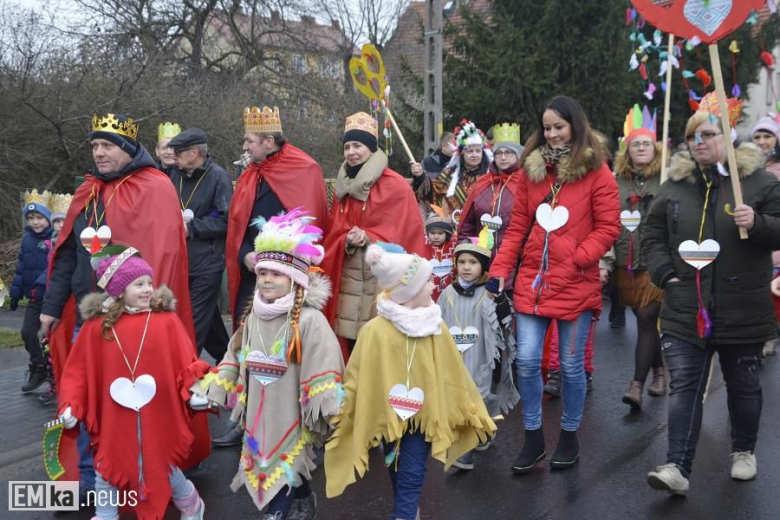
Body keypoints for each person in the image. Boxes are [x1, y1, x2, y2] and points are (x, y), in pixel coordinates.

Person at [41, 112, 204, 494]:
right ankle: (88, 479)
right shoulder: (88, 192)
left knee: (135, 404)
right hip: (90, 317)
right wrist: (50, 308)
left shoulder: (156, 187)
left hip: (137, 322)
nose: (98, 152)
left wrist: (149, 314)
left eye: (107, 146)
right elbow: (66, 256)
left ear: (128, 150)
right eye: (94, 145)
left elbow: (163, 257)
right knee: (86, 398)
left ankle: (148, 474)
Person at [643, 96, 780, 494]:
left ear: (728, 136)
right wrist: (665, 273)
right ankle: (677, 467)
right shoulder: (675, 186)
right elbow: (652, 235)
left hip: (744, 306)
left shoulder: (759, 182)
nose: (699, 142)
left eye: (707, 134)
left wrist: (758, 223)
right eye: (692, 137)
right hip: (687, 305)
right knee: (684, 386)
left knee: (744, 387)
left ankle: (743, 450)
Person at [488, 96, 620, 474]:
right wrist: (500, 269)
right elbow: (517, 229)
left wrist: (578, 258)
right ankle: (532, 436)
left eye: (559, 126)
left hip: (576, 284)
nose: (552, 134)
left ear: (575, 126)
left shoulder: (599, 173)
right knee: (527, 362)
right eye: (546, 127)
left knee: (571, 364)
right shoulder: (533, 172)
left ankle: (569, 436)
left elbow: (608, 228)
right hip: (533, 281)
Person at [324, 244, 496, 519]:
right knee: (394, 462)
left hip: (423, 415)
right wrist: (343, 408)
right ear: (409, 291)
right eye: (427, 281)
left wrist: (469, 405)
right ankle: (407, 509)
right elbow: (359, 375)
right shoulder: (375, 332)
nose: (432, 286)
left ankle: (403, 514)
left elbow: (453, 371)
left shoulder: (434, 325)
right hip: (389, 414)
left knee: (413, 466)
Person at [192, 209, 343, 520]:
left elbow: (325, 358)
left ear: (295, 280)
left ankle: (275, 514)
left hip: (291, 409)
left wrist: (323, 399)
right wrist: (215, 385)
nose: (267, 280)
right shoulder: (254, 316)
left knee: (288, 456)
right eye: (262, 274)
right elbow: (236, 353)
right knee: (268, 462)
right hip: (259, 408)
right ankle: (302, 495)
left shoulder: (310, 320)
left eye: (276, 274)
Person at [57, 247, 208, 520]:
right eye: (139, 284)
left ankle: (191, 503)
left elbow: (186, 360)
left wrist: (194, 389)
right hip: (115, 417)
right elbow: (77, 372)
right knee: (107, 465)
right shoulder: (97, 327)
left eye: (149, 282)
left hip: (159, 412)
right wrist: (71, 405)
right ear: (119, 289)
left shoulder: (165, 321)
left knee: (162, 465)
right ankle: (105, 515)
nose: (148, 289)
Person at [220, 105, 329, 448]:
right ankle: (245, 414)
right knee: (248, 346)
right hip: (253, 276)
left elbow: (310, 231)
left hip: (287, 281)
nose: (245, 147)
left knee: (285, 349)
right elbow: (237, 228)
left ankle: (293, 419)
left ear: (269, 140)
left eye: (249, 141)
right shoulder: (250, 174)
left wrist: (278, 263)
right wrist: (244, 255)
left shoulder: (304, 168)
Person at [321, 112, 426, 353]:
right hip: (350, 279)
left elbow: (406, 233)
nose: (351, 152)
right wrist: (345, 238)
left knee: (381, 343)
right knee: (350, 344)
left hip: (381, 280)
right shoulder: (343, 187)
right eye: (347, 146)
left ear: (371, 148)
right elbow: (334, 231)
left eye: (357, 145)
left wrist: (369, 236)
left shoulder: (395, 185)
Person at [440, 237, 519, 470]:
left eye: (472, 262)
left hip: (482, 357)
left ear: (484, 266)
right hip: (454, 358)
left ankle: (481, 432)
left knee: (481, 398)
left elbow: (506, 322)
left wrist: (501, 298)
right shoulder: (447, 293)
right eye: (461, 262)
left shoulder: (490, 292)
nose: (466, 267)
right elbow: (437, 320)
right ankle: (465, 447)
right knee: (457, 398)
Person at [608, 105, 667, 410]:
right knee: (641, 317)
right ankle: (658, 368)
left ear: (655, 148)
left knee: (646, 318)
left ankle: (636, 385)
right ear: (627, 150)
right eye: (635, 144)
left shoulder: (668, 178)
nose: (641, 148)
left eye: (646, 143)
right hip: (624, 261)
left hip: (656, 260)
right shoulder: (616, 181)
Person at [167, 127, 232, 361]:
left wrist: (191, 228)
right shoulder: (174, 175)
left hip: (207, 264)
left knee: (192, 321)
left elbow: (227, 222)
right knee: (207, 317)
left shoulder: (218, 177)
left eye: (178, 152)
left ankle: (183, 369)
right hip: (180, 260)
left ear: (193, 153)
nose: (173, 158)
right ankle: (227, 358)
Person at [458, 122, 523, 296]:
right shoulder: (482, 183)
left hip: (516, 268)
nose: (503, 157)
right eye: (499, 153)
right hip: (482, 266)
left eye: (509, 152)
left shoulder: (526, 184)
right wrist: (465, 253)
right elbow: (467, 224)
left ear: (518, 154)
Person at [11, 189, 53, 393]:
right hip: (34, 300)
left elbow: (54, 267)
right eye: (31, 218)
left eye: (39, 217)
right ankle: (38, 367)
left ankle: (55, 375)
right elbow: (21, 268)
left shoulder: (54, 238)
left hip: (52, 299)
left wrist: (39, 283)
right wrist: (15, 292)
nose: (35, 222)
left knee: (51, 340)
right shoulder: (27, 240)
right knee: (27, 332)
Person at [413, 120, 491, 218]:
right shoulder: (449, 174)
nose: (474, 155)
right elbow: (432, 194)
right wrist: (420, 176)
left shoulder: (490, 176)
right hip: (453, 228)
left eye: (478, 151)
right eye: (470, 151)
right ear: (462, 154)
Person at [38, 192, 73, 406]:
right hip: (51, 299)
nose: (60, 225)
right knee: (48, 344)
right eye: (57, 221)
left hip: (69, 303)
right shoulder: (48, 244)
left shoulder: (76, 243)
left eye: (64, 220)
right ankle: (54, 383)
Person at [423, 213, 456, 302]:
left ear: (448, 233)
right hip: (428, 290)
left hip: (450, 288)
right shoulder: (423, 244)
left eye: (440, 233)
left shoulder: (454, 244)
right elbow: (414, 263)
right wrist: (404, 282)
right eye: (432, 233)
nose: (436, 236)